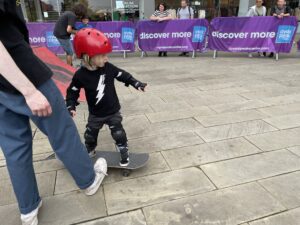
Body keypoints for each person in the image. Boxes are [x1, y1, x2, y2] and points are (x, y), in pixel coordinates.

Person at [0, 1, 107, 225]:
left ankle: (28, 209)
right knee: (62, 130)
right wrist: (28, 90)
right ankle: (88, 180)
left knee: (14, 148)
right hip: (23, 72)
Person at [66, 28, 147, 166]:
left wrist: (135, 83)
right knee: (90, 135)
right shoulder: (80, 75)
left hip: (112, 111)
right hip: (95, 114)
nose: (106, 58)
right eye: (102, 55)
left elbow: (122, 75)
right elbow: (73, 90)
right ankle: (90, 150)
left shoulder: (108, 68)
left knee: (118, 133)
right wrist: (70, 105)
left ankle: (123, 151)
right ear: (88, 56)